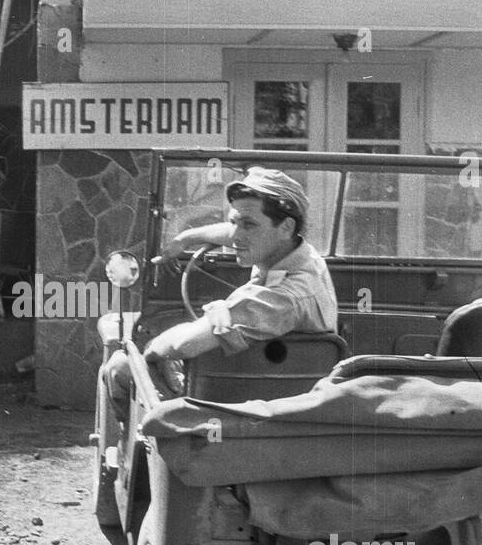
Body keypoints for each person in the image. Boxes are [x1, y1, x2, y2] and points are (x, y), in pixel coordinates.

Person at [104, 167, 338, 420]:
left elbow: (183, 344)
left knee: (121, 365)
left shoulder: (281, 297)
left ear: (286, 227)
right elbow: (242, 233)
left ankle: (138, 445)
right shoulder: (304, 257)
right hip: (277, 402)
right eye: (233, 221)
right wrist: (186, 238)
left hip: (229, 411)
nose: (236, 235)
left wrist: (152, 349)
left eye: (248, 224)